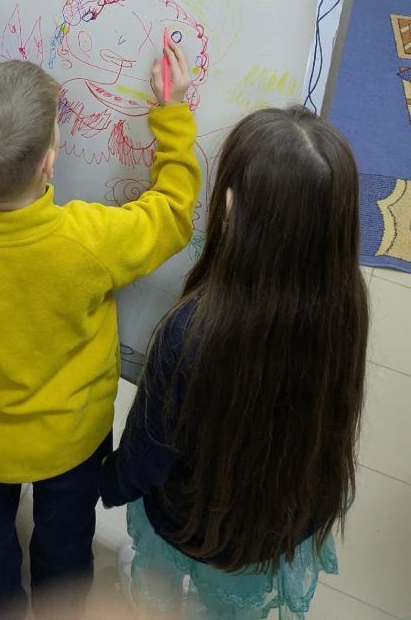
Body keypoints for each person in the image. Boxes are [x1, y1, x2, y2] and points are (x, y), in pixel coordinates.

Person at [0, 41, 201, 619]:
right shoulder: (89, 237)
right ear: (49, 163)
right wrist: (173, 115)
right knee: (65, 540)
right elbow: (172, 211)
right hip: (73, 439)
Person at [99, 106, 369, 619]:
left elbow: (147, 454)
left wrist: (109, 483)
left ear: (229, 204)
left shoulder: (190, 330)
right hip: (281, 521)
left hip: (189, 523)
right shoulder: (345, 301)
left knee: (157, 590)